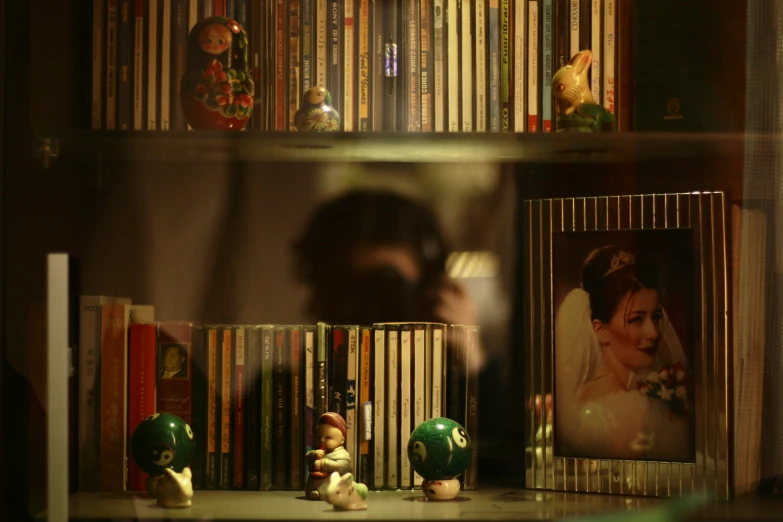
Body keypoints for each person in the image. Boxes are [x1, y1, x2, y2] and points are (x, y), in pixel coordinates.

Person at [554, 244, 691, 462]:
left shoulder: (627, 388)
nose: (654, 333)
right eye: (636, 319)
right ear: (601, 330)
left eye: (655, 317)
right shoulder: (624, 411)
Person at [293, 189, 477, 328]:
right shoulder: (290, 378)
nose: (377, 317)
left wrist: (471, 362)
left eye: (393, 289)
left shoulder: (454, 374)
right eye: (360, 291)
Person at [305, 412, 352, 500]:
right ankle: (314, 492)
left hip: (334, 489)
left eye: (328, 438)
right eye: (319, 437)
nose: (322, 440)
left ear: (342, 440)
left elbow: (341, 467)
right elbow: (308, 459)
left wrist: (323, 464)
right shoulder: (319, 451)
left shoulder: (342, 454)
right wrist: (313, 454)